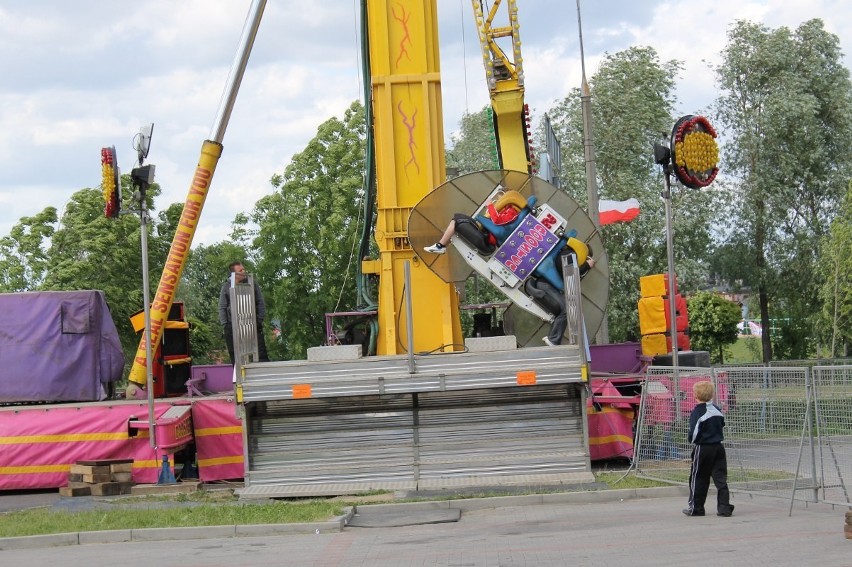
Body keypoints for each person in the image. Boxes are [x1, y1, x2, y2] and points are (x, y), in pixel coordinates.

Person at [683, 380, 734, 517]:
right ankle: (724, 508)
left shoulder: (697, 412)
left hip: (703, 448)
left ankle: (696, 508)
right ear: (711, 395)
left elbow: (694, 433)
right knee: (720, 477)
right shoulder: (717, 410)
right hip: (718, 447)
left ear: (695, 395)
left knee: (698, 477)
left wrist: (692, 441)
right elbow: (721, 424)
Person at [218, 262, 269, 365]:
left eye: (243, 269)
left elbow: (260, 302)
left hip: (252, 323)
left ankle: (263, 377)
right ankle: (239, 379)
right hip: (233, 326)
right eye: (240, 270)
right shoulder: (226, 287)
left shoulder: (251, 283)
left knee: (260, 353)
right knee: (236, 357)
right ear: (234, 274)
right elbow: (222, 306)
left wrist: (259, 320)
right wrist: (225, 325)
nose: (244, 272)